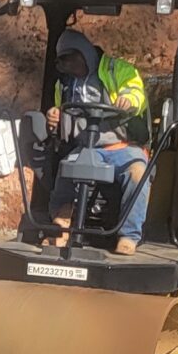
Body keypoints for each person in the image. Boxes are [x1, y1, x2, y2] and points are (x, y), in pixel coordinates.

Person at [45, 29, 149, 255]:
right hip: (87, 147)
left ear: (84, 53)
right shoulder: (65, 84)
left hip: (122, 146)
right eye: (65, 63)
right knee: (65, 168)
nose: (70, 68)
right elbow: (62, 111)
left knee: (138, 172)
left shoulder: (117, 70)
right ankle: (61, 223)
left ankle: (129, 235)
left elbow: (136, 93)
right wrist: (55, 115)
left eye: (72, 61)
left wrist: (128, 99)